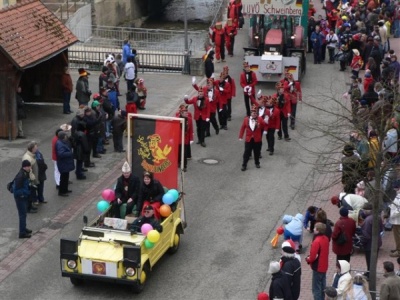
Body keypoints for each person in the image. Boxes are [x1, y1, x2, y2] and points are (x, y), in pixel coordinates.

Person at [238, 105, 267, 171]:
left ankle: (257, 163)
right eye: (253, 113)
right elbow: (242, 128)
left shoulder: (260, 119)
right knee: (246, 153)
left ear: (257, 114)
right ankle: (244, 165)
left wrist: (265, 122)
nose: (254, 114)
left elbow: (264, 125)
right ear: (251, 113)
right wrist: (240, 136)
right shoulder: (246, 119)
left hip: (257, 139)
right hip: (249, 139)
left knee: (257, 152)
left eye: (255, 113)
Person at [306, 222, 330, 300]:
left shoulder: (316, 241)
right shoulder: (326, 238)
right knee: (323, 286)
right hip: (324, 265)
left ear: (318, 230)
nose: (313, 229)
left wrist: (308, 259)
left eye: (315, 228)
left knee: (316, 288)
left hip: (318, 266)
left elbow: (312, 256)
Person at [361, 202, 383, 278]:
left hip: (369, 244)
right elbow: (381, 229)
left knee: (369, 260)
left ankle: (371, 275)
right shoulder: (378, 217)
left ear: (367, 210)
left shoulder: (367, 220)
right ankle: (370, 272)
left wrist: (362, 243)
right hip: (377, 242)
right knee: (373, 260)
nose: (363, 211)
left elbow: (365, 235)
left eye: (364, 210)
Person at [13, 160, 34, 238]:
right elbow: (16, 190)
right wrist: (26, 192)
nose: (30, 168)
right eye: (29, 166)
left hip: (23, 197)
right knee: (22, 215)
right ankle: (22, 233)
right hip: (20, 198)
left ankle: (24, 228)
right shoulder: (21, 176)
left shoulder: (24, 173)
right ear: (25, 167)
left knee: (24, 214)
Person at [55, 131, 75, 197]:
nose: (66, 136)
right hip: (63, 164)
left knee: (66, 177)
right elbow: (61, 154)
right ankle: (61, 192)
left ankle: (65, 189)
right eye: (65, 135)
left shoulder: (63, 142)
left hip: (65, 163)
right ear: (63, 137)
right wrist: (70, 153)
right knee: (63, 178)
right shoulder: (59, 144)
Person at [22, 141, 39, 210]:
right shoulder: (28, 158)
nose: (37, 149)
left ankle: (32, 203)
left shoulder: (32, 155)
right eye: (35, 148)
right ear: (32, 149)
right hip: (30, 178)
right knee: (30, 191)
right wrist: (33, 178)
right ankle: (30, 206)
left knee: (32, 191)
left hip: (32, 177)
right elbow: (28, 170)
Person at [177, 105, 193, 172]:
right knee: (178, 152)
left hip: (185, 140)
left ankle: (184, 166)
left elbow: (191, 130)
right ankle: (178, 162)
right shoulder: (177, 119)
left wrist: (191, 139)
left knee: (184, 154)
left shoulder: (189, 120)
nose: (187, 113)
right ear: (181, 113)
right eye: (185, 112)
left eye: (186, 112)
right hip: (178, 139)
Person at [388, 193, 400, 257]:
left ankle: (399, 251)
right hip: (396, 220)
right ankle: (397, 248)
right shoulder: (397, 194)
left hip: (398, 220)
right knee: (397, 236)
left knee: (398, 236)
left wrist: (392, 215)